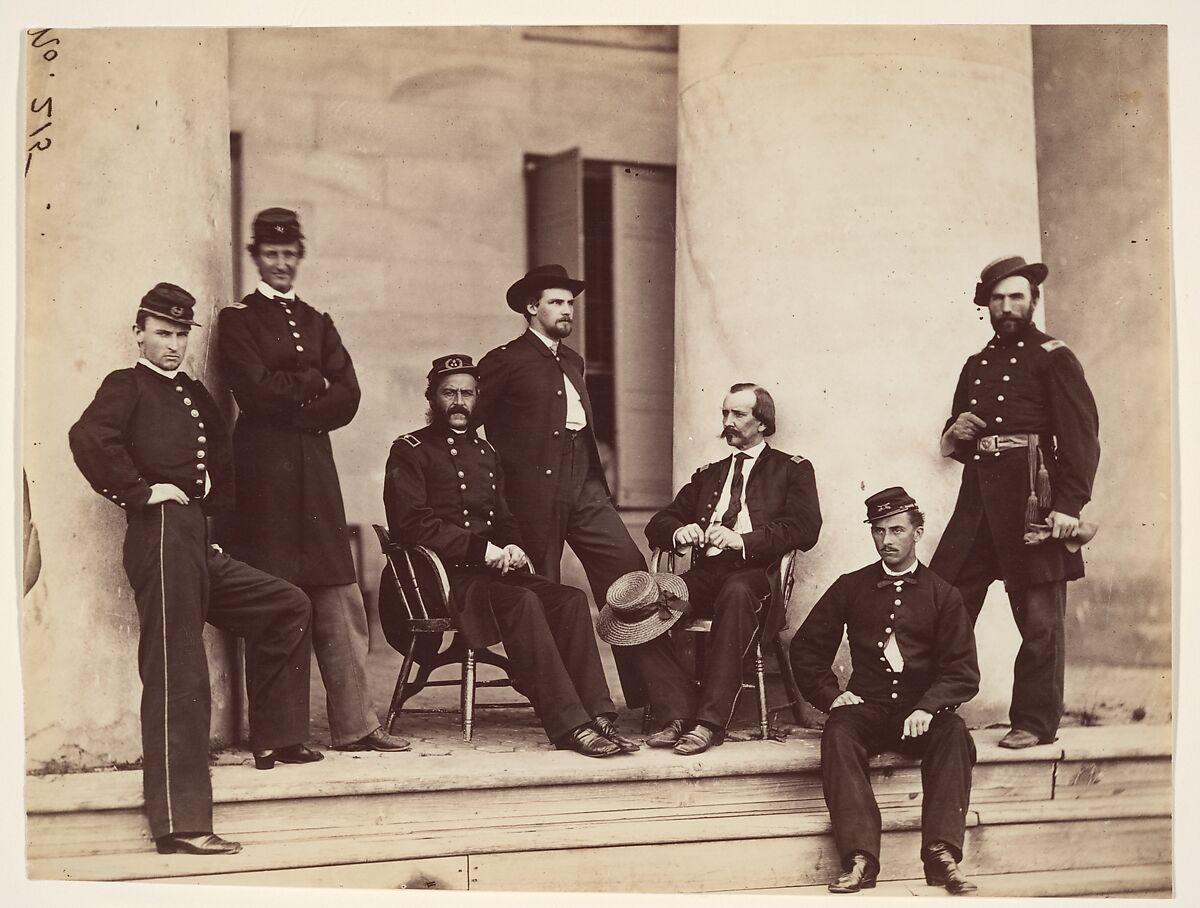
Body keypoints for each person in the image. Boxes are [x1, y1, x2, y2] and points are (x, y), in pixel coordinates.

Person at [69, 283, 319, 856]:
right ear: (139, 332)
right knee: (178, 671)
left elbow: (223, 465)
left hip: (197, 539)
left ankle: (276, 739)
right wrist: (139, 491)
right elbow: (88, 438)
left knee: (286, 605)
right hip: (159, 536)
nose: (173, 344)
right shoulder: (126, 384)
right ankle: (181, 824)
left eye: (181, 334)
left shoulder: (195, 393)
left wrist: (214, 523)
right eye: (163, 332)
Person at [218, 208, 408, 754]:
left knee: (339, 597)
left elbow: (347, 394)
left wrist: (295, 401)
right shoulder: (239, 320)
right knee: (278, 597)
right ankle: (282, 736)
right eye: (271, 255)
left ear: (300, 257)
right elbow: (251, 391)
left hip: (316, 477)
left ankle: (358, 725)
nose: (280, 264)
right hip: (264, 479)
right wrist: (310, 382)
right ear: (256, 256)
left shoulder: (318, 320)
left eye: (289, 255)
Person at [382, 355, 639, 757]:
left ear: (477, 399)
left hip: (489, 577)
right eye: (449, 392)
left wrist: (514, 545)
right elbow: (411, 524)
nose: (459, 402)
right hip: (443, 581)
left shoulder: (486, 453)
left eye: (467, 393)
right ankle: (570, 725)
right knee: (523, 601)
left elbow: (503, 518)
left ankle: (598, 713)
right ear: (432, 397)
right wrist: (482, 550)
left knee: (569, 600)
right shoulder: (410, 450)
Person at [930, 255, 1100, 749]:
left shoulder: (1054, 356)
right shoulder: (975, 364)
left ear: (1033, 301)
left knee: (1040, 619)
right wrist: (953, 432)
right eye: (999, 298)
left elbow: (1081, 438)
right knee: (945, 603)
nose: (1007, 307)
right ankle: (931, 711)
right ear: (986, 305)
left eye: (1017, 297)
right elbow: (959, 439)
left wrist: (1069, 505)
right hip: (978, 502)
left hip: (1034, 499)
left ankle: (1034, 721)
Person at [604, 383, 821, 756]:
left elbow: (804, 528)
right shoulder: (710, 474)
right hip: (706, 574)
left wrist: (743, 540)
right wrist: (677, 530)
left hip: (754, 574)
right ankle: (677, 712)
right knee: (635, 607)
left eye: (738, 414)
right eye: (725, 413)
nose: (728, 422)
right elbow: (661, 521)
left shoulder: (792, 469)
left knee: (735, 592)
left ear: (763, 423)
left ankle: (710, 722)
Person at [791, 487, 980, 895]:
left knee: (954, 733)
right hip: (869, 709)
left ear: (918, 532)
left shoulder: (943, 594)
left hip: (921, 715)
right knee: (839, 730)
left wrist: (929, 707)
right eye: (878, 531)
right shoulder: (851, 586)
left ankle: (942, 855)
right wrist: (830, 695)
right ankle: (860, 859)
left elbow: (962, 670)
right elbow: (806, 646)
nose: (887, 541)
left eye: (897, 530)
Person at [476, 264, 648, 704]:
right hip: (531, 492)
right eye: (556, 302)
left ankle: (650, 698)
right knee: (545, 590)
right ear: (532, 308)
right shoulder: (504, 360)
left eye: (570, 303)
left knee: (629, 573)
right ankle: (564, 704)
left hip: (584, 483)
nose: (567, 310)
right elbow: (467, 423)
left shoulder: (573, 360)